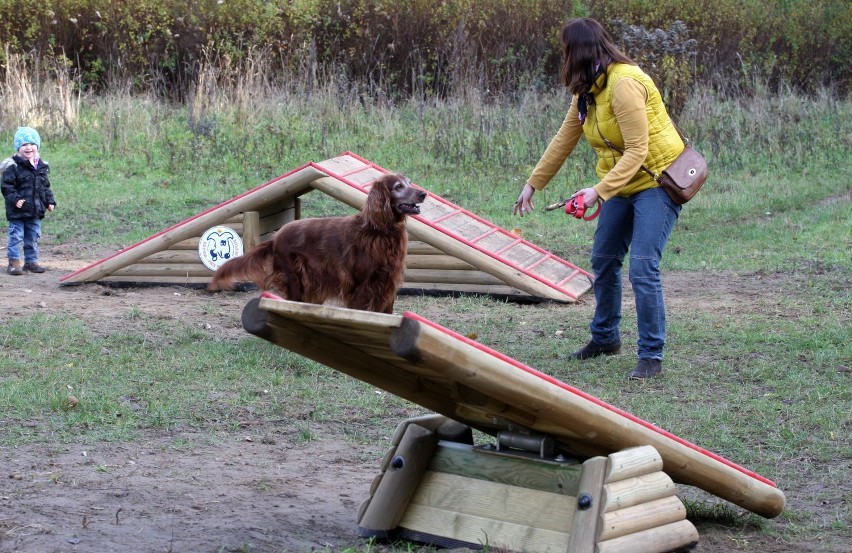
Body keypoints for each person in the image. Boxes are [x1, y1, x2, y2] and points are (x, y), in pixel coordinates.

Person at [513, 18, 684, 379]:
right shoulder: (588, 88)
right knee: (604, 260)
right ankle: (605, 338)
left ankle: (651, 355)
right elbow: (564, 139)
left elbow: (638, 150)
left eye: (565, 49)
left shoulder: (623, 83)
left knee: (642, 266)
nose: (563, 56)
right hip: (620, 184)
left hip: (657, 181)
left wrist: (596, 192)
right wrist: (533, 183)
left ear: (578, 50)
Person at [2, 127, 56, 275]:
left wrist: (49, 202)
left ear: (37, 146)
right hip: (17, 211)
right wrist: (16, 199)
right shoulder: (12, 166)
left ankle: (31, 261)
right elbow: (7, 187)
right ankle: (14, 262)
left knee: (33, 236)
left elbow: (45, 187)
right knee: (16, 236)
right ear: (18, 147)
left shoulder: (41, 167)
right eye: (24, 144)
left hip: (35, 210)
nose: (29, 147)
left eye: (32, 144)